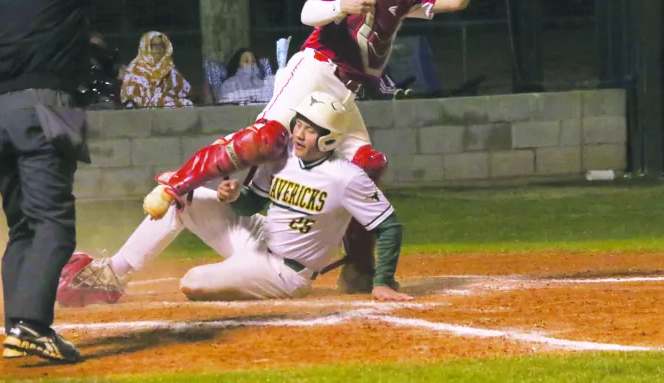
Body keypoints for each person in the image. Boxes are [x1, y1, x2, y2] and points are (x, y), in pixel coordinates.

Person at [141, 0, 483, 293]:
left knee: (366, 165)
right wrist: (341, 6)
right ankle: (176, 185)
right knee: (266, 139)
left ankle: (359, 270)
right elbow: (309, 12)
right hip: (316, 71)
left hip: (345, 95)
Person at [0, 0, 131, 363]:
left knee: (22, 228)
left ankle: (17, 327)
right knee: (53, 224)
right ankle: (32, 326)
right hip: (44, 106)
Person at [57, 91, 410, 306]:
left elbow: (389, 226)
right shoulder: (284, 157)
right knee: (186, 196)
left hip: (284, 273)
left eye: (311, 129)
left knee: (192, 282)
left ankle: (240, 274)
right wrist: (234, 196)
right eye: (299, 124)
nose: (300, 133)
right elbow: (252, 205)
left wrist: (381, 281)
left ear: (330, 138)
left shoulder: (346, 176)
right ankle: (113, 274)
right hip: (258, 236)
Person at [120, 31, 193, 108]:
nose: (159, 48)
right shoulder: (135, 70)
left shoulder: (170, 69)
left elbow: (188, 93)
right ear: (145, 47)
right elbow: (133, 99)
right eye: (154, 45)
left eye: (161, 45)